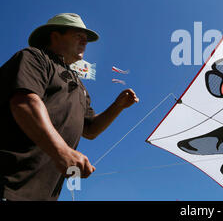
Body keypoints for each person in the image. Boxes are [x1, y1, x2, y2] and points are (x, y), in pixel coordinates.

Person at [0, 13, 139, 201]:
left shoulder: (80, 86)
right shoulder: (35, 57)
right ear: (55, 36)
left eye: (86, 39)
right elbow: (24, 102)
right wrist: (62, 151)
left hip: (43, 194)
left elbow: (90, 130)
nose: (84, 41)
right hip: (9, 183)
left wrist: (117, 106)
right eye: (78, 35)